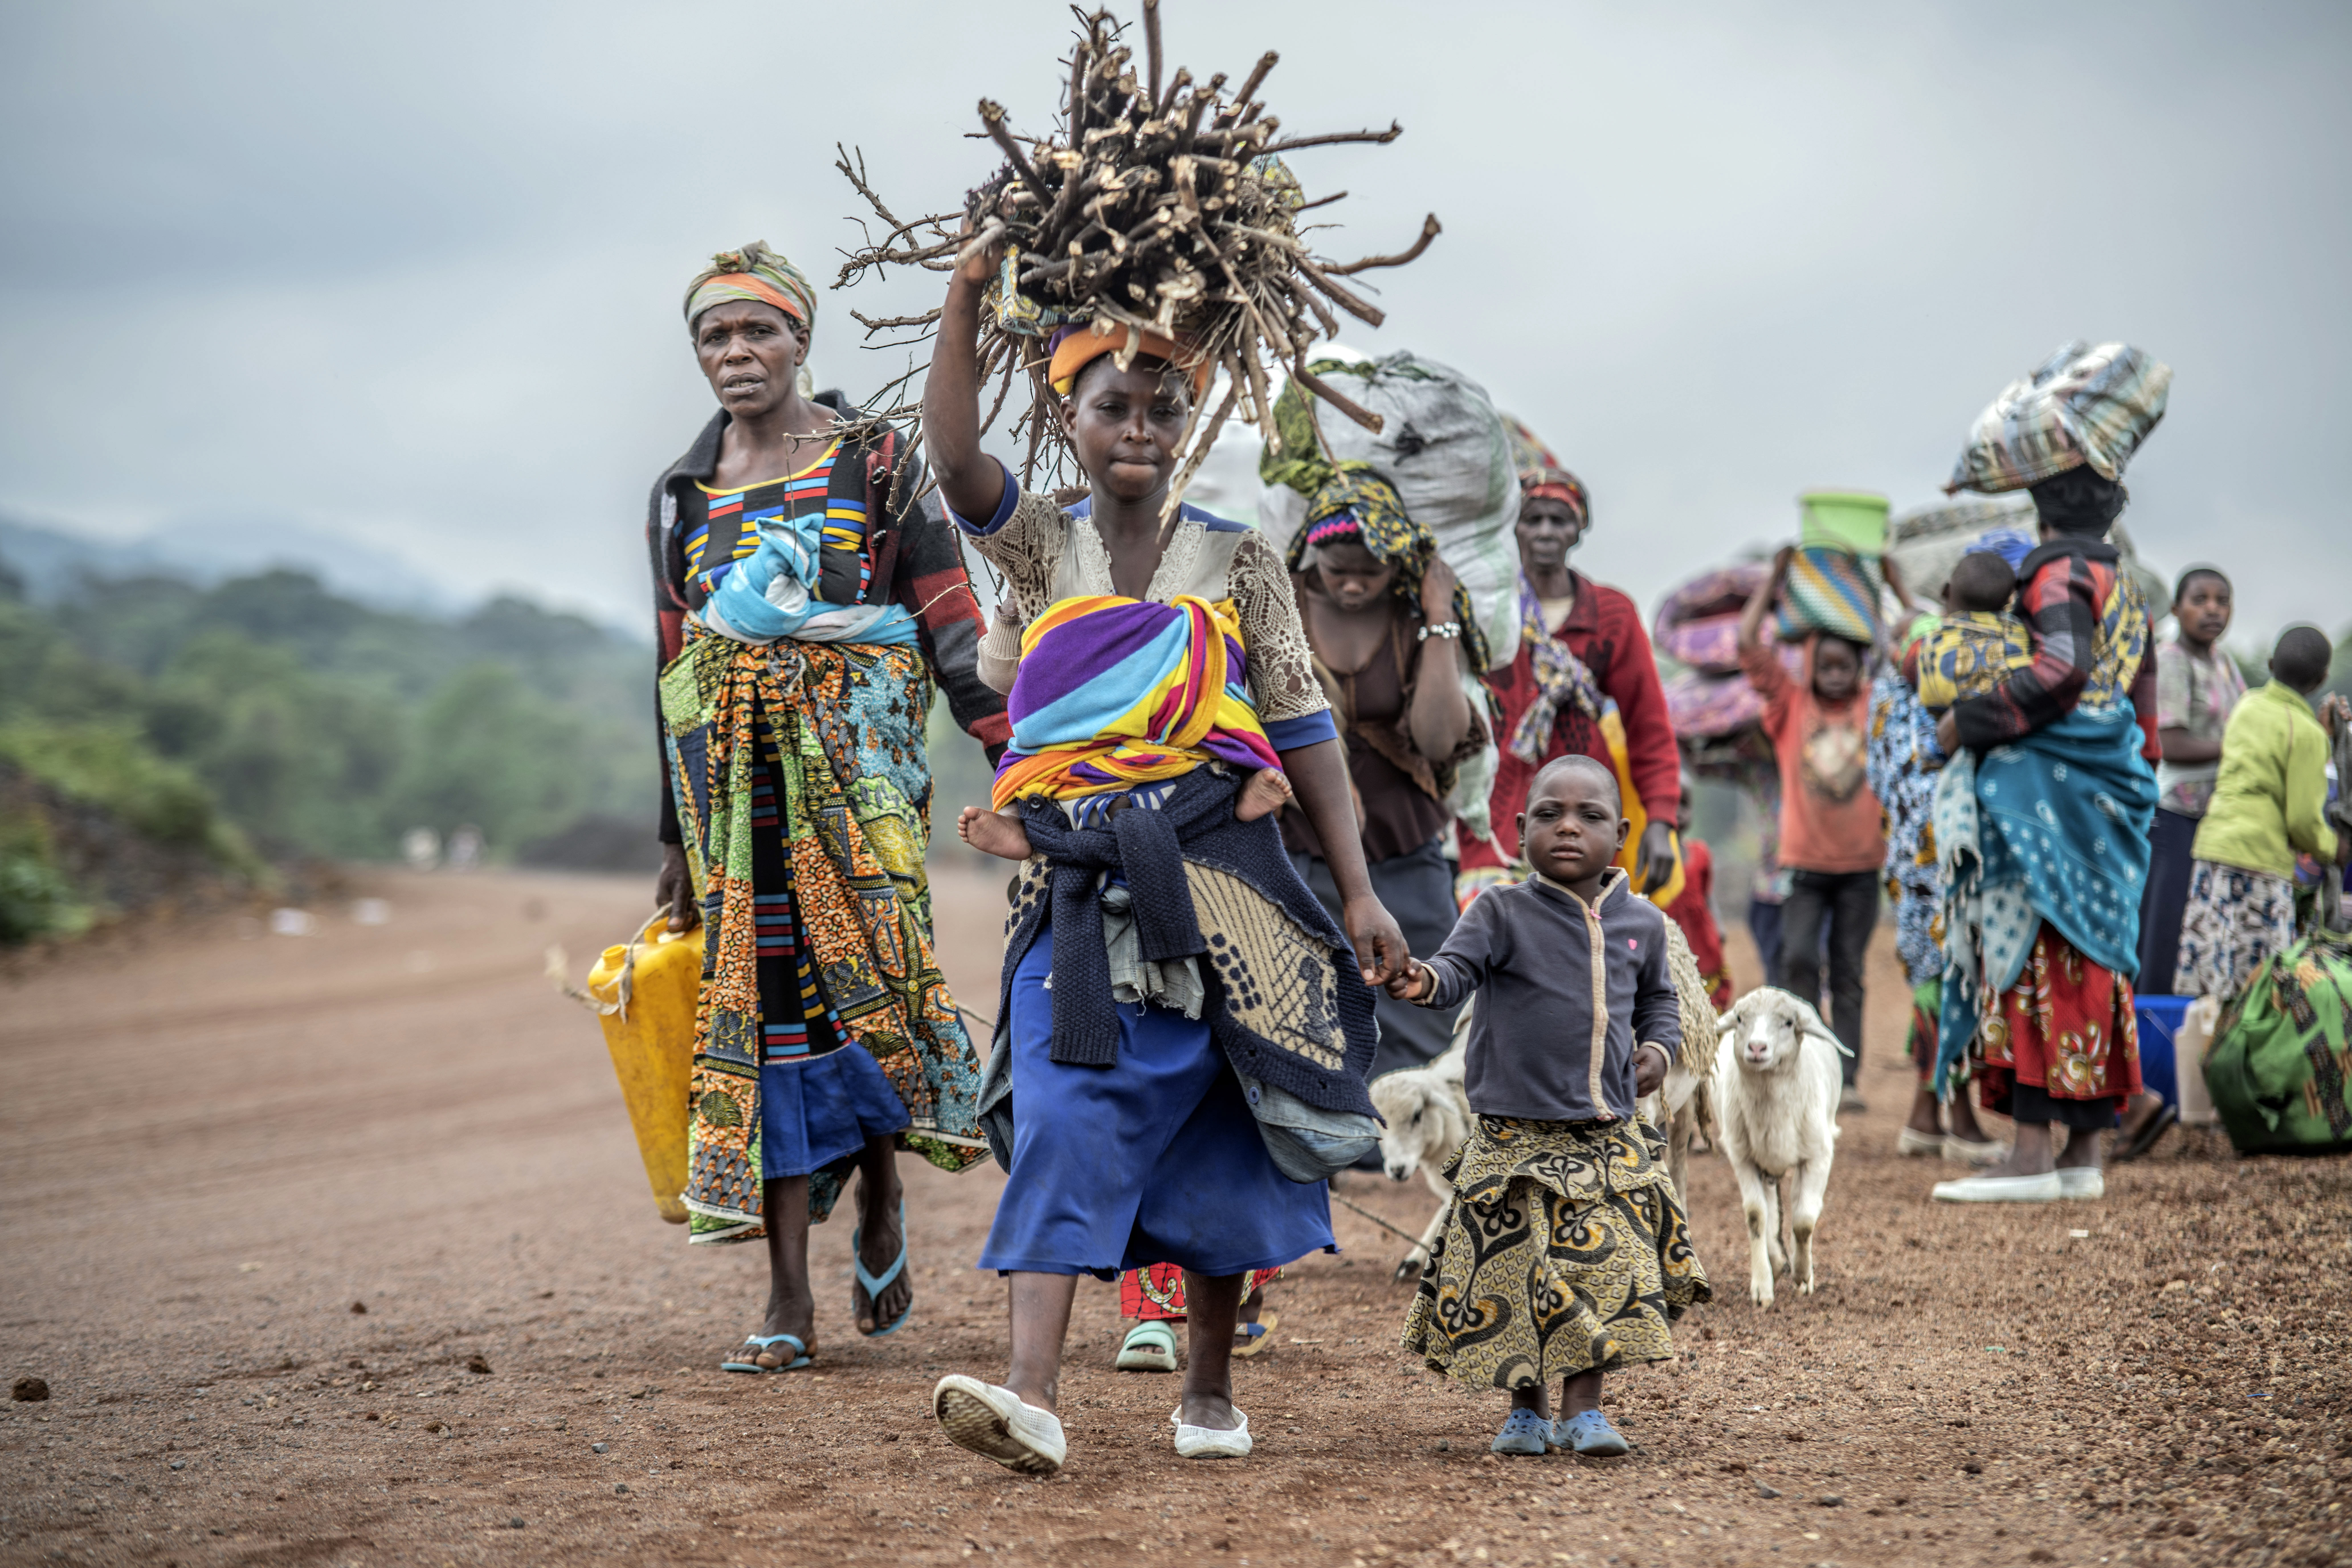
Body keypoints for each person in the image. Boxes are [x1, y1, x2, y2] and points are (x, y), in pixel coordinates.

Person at [919, 232, 1408, 1474]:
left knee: (1224, 1123)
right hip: (1078, 891)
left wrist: (1356, 892)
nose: (1138, 426)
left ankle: (1208, 1389)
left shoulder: (1237, 556)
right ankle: (1030, 1394)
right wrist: (971, 291)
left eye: (1163, 408)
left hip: (1223, 884)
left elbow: (1301, 728)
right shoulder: (1037, 545)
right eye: (1112, 406)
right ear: (1067, 417)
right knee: (1067, 1107)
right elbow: (953, 457)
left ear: (1191, 424)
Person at [645, 243, 1009, 1370]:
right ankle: (786, 1293)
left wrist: (1018, 763)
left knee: (874, 993)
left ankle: (887, 1196)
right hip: (739, 802)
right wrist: (675, 837)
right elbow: (672, 668)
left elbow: (950, 616)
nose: (736, 354)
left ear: (801, 340)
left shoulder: (877, 458)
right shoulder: (684, 495)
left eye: (757, 332)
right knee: (767, 1017)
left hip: (867, 779)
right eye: (715, 337)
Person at [1389, 754, 1708, 1457]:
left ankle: (1585, 1411)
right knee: (1517, 1273)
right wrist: (1419, 981)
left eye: (1589, 816)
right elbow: (1453, 973)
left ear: (1619, 834)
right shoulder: (1499, 911)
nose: (1568, 827)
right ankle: (1525, 1411)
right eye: (1548, 815)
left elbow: (1659, 1002)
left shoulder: (1643, 924)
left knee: (1602, 1271)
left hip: (1604, 1139)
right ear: (1519, 827)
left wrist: (1656, 1051)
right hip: (1513, 1141)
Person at [1929, 465, 2159, 1203]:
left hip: (2050, 791)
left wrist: (1965, 722)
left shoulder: (2058, 571)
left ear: (2041, 511)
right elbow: (2143, 714)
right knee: (2094, 959)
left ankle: (2031, 1154)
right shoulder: (2129, 587)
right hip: (2110, 790)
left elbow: (2060, 672)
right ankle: (2085, 1152)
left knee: (2035, 948)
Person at [1281, 465, 1487, 1078]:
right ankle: (1325, 1153)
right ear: (1310, 551)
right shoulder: (1276, 602)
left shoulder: (1412, 615)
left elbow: (1438, 737)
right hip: (1298, 846)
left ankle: (1400, 1147)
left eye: (1369, 572)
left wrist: (1438, 618)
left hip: (1403, 849)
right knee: (1300, 1007)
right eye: (1335, 569)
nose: (1349, 586)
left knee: (1421, 1001)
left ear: (1400, 565)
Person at [1457, 464, 1683, 906]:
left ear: (1578, 529)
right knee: (1488, 935)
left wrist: (1662, 821)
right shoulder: (1485, 608)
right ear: (1514, 527)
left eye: (1558, 521)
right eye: (1532, 519)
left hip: (1583, 819)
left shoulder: (1610, 616)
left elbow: (1648, 728)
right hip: (1494, 811)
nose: (1545, 531)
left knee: (1579, 945)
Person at [1736, 546, 1885, 1110]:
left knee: (1848, 970)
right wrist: (1775, 580)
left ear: (1859, 669)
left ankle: (1844, 1081)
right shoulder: (1790, 706)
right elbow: (1750, 646)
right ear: (1811, 667)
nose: (1836, 675)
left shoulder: (1875, 706)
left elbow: (1899, 658)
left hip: (1862, 869)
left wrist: (1879, 585)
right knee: (1798, 959)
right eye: (1826, 666)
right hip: (1803, 865)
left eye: (1846, 666)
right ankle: (1795, 1065)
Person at [2176, 625, 2348, 1004]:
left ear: (2271, 664)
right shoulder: (2308, 735)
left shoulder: (2248, 704)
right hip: (2258, 861)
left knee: (2213, 970)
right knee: (2259, 987)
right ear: (2322, 678)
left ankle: (2198, 1054)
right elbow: (2302, 821)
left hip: (2213, 850)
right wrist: (2334, 847)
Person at [2137, 567, 2244, 995]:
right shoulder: (2172, 661)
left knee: (2202, 935)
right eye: (2200, 600)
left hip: (2214, 820)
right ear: (2177, 609)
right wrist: (2242, 748)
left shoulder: (2223, 663)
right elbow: (2171, 742)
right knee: (2164, 934)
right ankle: (2149, 1041)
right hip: (2173, 816)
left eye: (2222, 600)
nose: (2213, 609)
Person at [1660, 776, 1732, 1009]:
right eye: (1671, 805)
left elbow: (1708, 895)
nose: (1679, 813)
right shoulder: (1653, 860)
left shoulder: (1701, 852)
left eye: (1685, 805)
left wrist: (1719, 926)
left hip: (1702, 939)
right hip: (1670, 942)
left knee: (1708, 997)